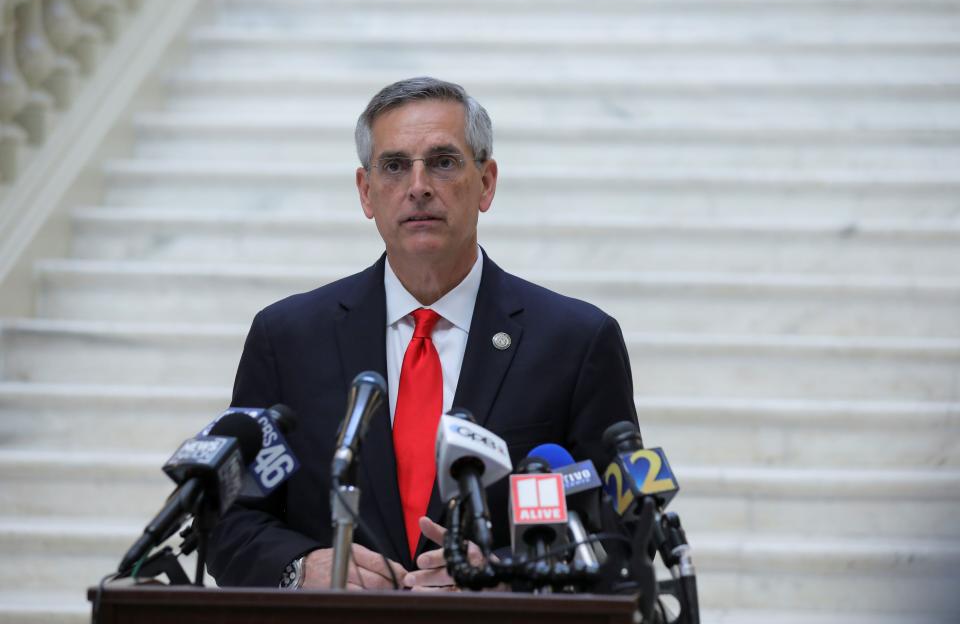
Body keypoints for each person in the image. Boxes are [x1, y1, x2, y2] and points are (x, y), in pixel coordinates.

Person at [207, 77, 638, 591]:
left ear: (487, 183)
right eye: (393, 166)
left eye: (443, 162)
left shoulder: (576, 342)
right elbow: (226, 519)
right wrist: (301, 568)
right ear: (366, 193)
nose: (418, 186)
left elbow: (625, 536)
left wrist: (506, 581)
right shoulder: (288, 338)